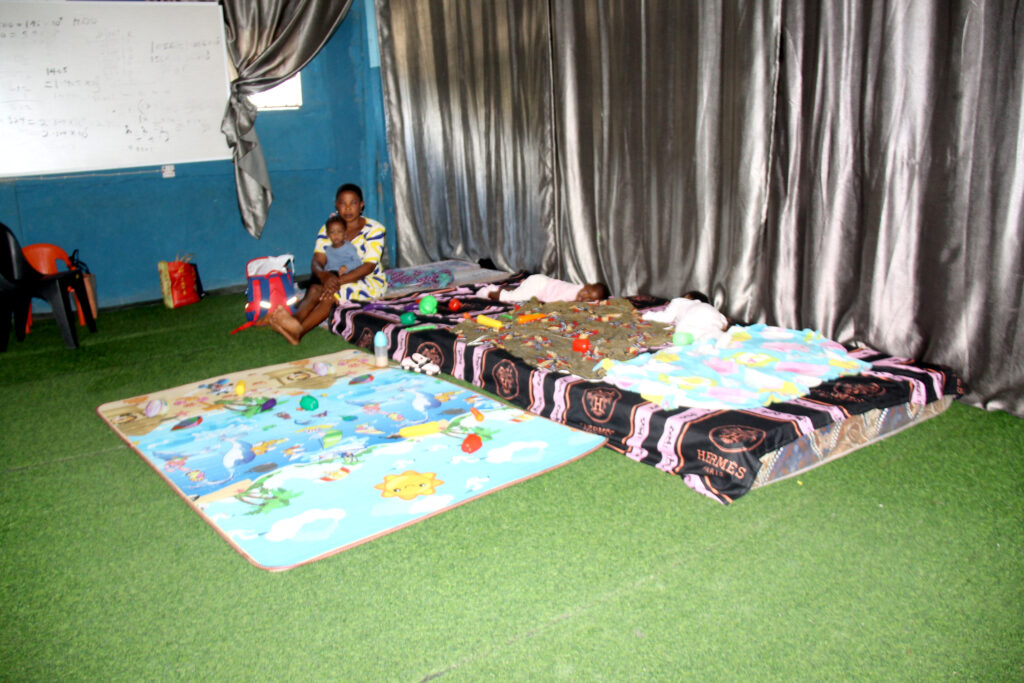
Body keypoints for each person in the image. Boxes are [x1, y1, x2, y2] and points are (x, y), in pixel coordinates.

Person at [270, 183, 387, 345]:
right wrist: (323, 275)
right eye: (343, 203)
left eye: (353, 203)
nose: (347, 208)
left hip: (368, 280)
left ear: (361, 205)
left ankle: (299, 332)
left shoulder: (374, 229)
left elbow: (369, 267)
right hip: (335, 277)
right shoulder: (330, 228)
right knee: (315, 287)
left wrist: (336, 282)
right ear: (336, 205)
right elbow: (318, 261)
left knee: (332, 293)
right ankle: (294, 320)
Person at [476, 274, 608, 303]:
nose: (584, 296)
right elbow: (555, 303)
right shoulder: (573, 293)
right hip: (539, 286)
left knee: (518, 292)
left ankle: (497, 289)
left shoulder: (579, 290)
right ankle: (488, 292)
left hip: (541, 282)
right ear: (586, 285)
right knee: (512, 298)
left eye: (589, 299)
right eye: (587, 291)